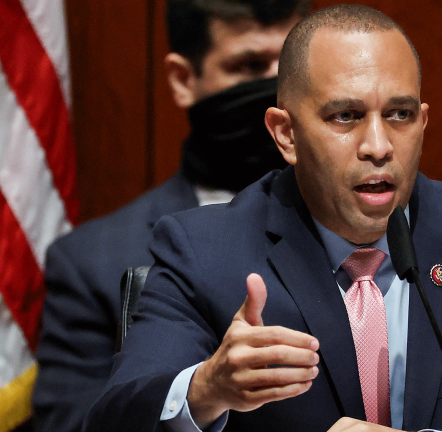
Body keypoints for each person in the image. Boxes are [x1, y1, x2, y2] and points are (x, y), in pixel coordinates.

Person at [84, 5, 442, 432]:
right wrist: (206, 390)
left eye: (400, 115)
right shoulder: (204, 252)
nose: (380, 146)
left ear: (423, 122)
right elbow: (113, 420)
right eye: (346, 116)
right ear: (286, 134)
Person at [32, 1, 310, 431]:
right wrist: (200, 391)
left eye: (291, 66)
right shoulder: (92, 263)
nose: (276, 88)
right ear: (183, 80)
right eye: (250, 65)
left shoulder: (375, 233)